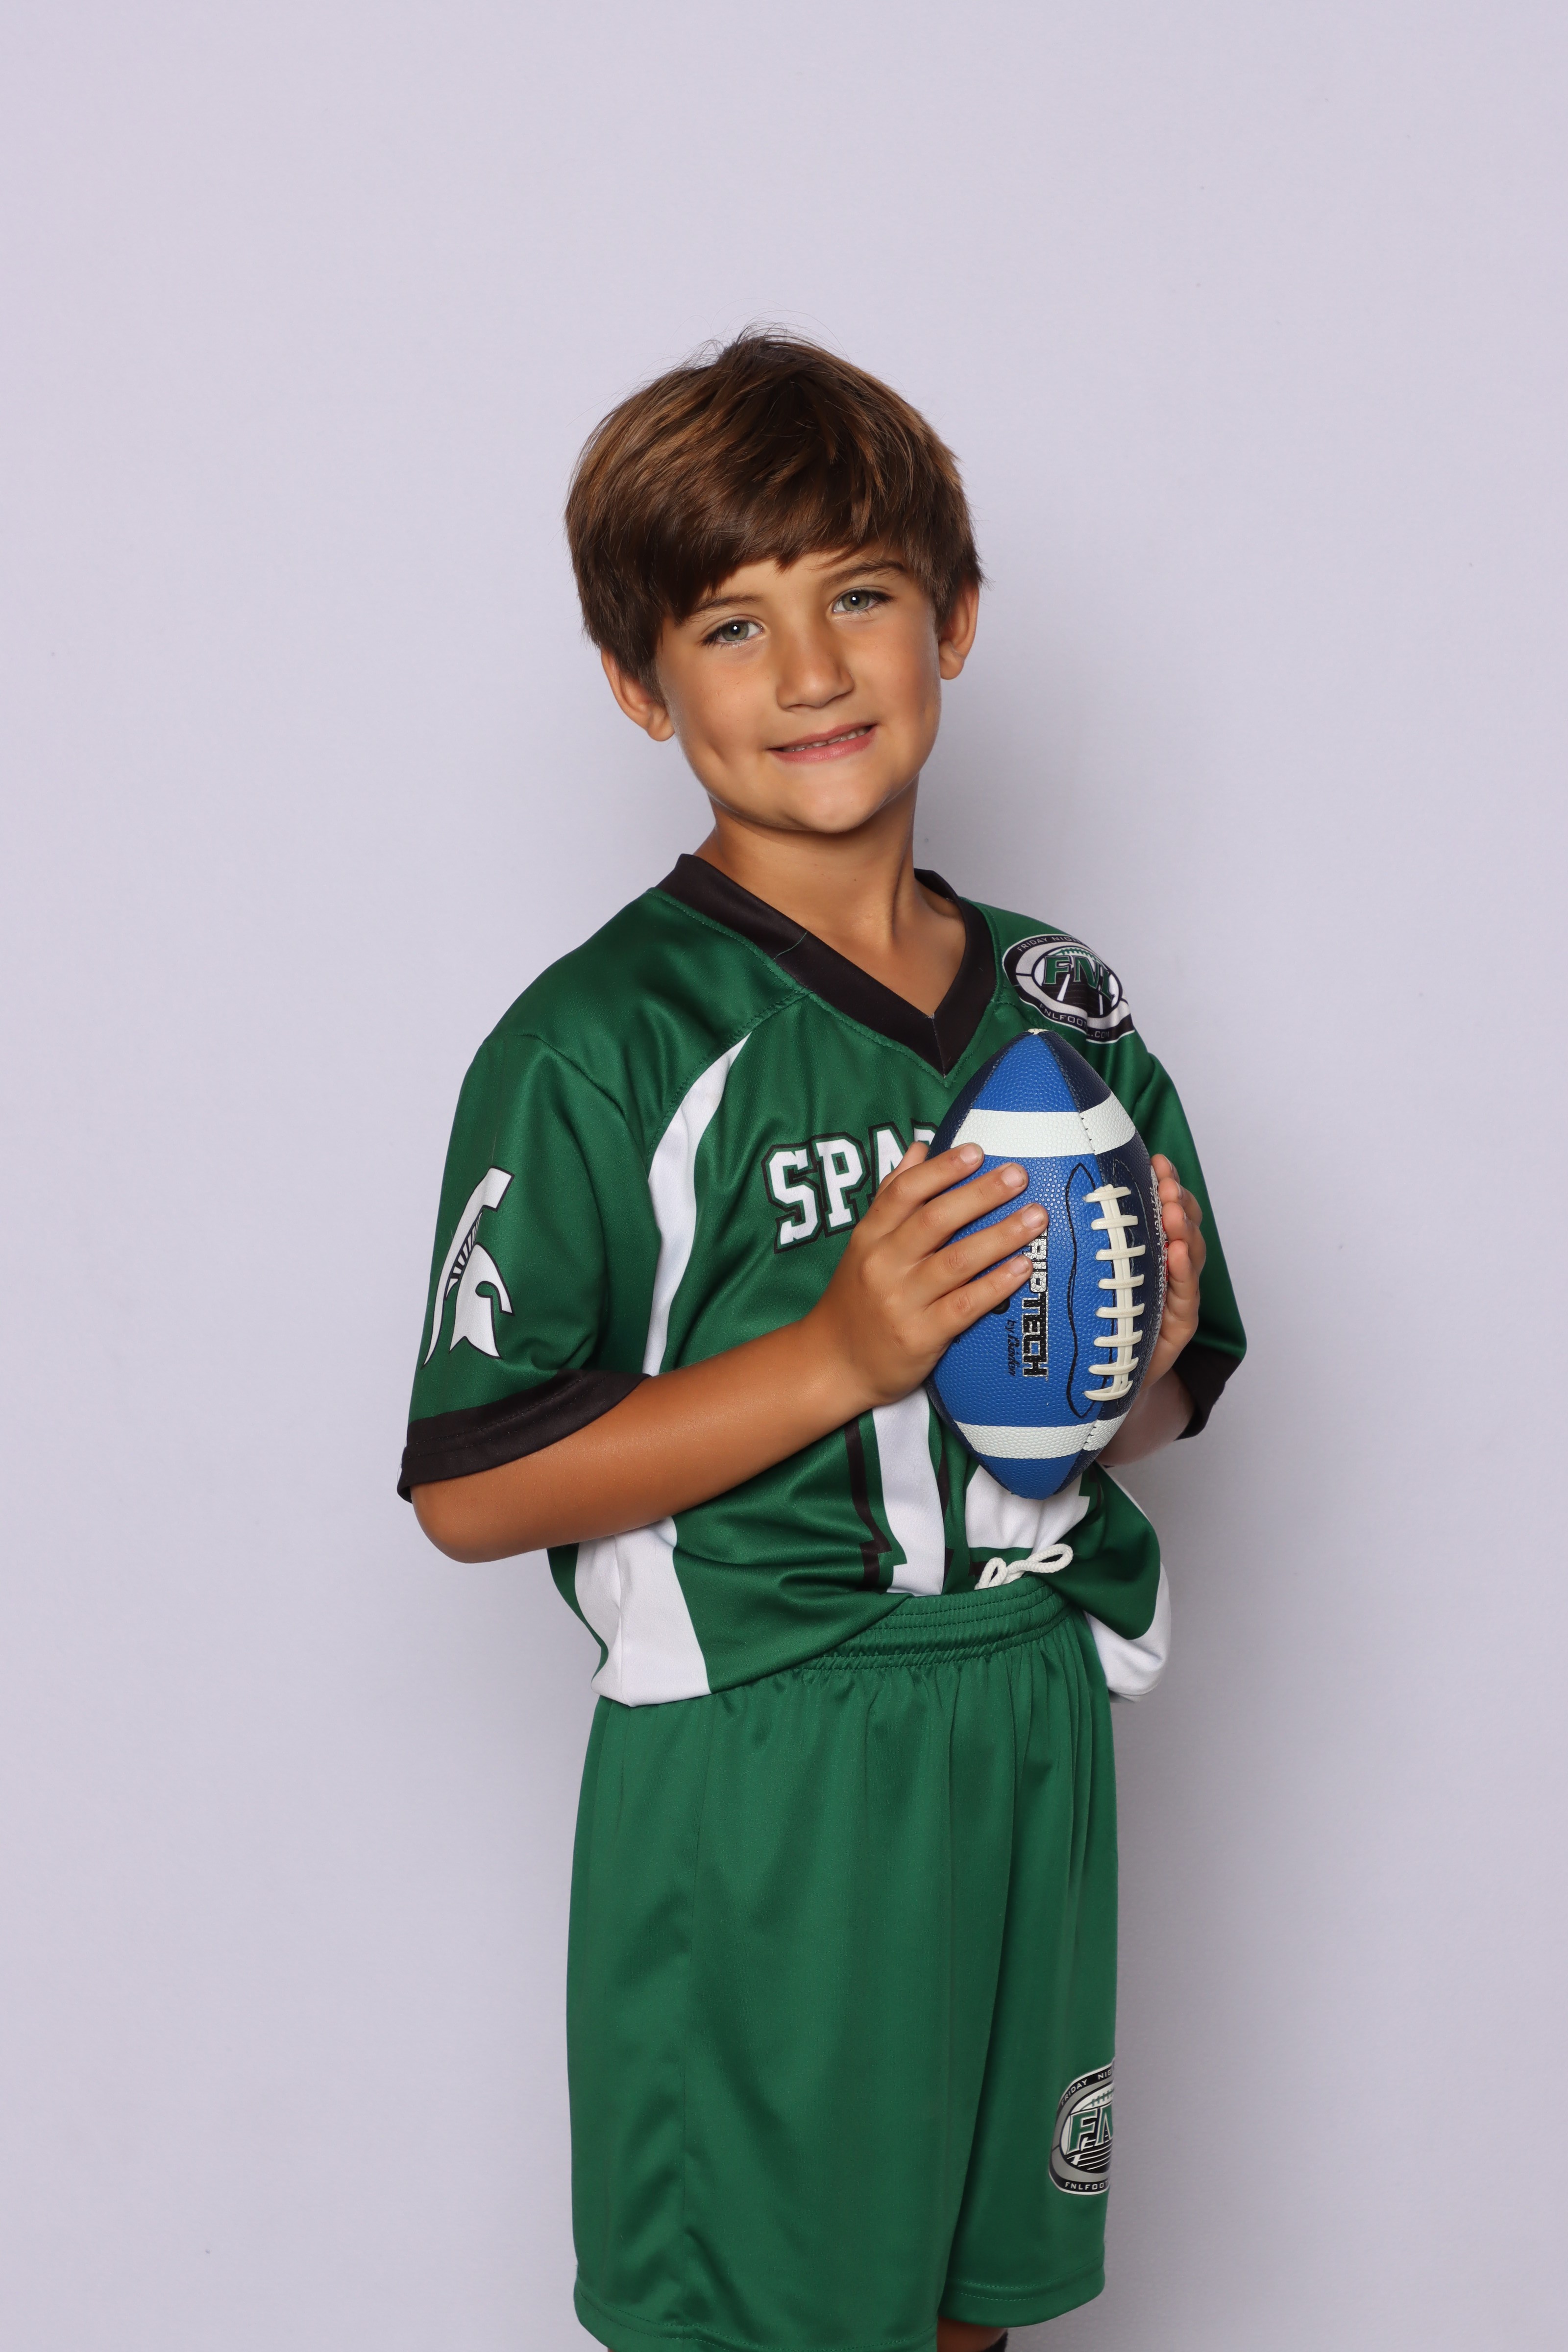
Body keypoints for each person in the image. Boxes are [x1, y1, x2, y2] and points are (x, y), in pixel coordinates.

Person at [400, 333, 1245, 2352]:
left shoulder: (1062, 1006)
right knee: (771, 2325)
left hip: (1024, 1708)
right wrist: (836, 1357)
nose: (808, 671)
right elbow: (472, 1490)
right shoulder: (602, 1041)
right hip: (769, 1751)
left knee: (967, 2308)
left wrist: (1140, 1350)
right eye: (730, 622)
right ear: (642, 685)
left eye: (858, 595)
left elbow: (1125, 1414)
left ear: (953, 619)